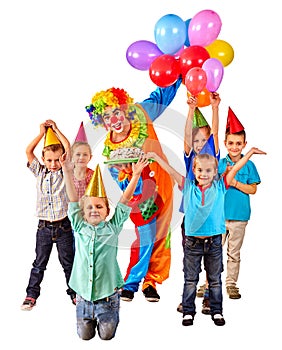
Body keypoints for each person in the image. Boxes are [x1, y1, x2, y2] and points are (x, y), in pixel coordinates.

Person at [85, 78, 182, 302]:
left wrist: (178, 76)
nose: (114, 120)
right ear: (102, 122)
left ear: (125, 109)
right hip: (142, 196)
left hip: (164, 184)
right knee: (145, 236)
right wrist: (128, 176)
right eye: (106, 117)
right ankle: (132, 281)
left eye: (116, 112)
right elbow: (121, 183)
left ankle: (151, 281)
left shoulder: (140, 114)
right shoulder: (111, 150)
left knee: (161, 237)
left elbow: (161, 96)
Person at [146, 146, 266, 326]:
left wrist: (249, 153)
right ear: (193, 170)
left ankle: (217, 311)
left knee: (215, 279)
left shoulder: (220, 186)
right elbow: (170, 170)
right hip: (193, 243)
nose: (204, 174)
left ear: (215, 171)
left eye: (209, 170)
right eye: (200, 170)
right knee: (190, 279)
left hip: (214, 242)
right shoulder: (187, 186)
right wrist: (156, 155)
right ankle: (188, 311)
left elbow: (235, 168)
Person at [61, 152, 149, 341]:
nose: (94, 210)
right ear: (83, 212)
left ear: (107, 211)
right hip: (83, 297)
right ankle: (88, 318)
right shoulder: (79, 225)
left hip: (108, 297)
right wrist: (67, 172)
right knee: (84, 336)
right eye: (90, 207)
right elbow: (73, 200)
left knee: (107, 336)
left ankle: (110, 315)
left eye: (99, 207)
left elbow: (124, 201)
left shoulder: (113, 227)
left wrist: (134, 176)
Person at [21, 120, 76, 311]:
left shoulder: (65, 172)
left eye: (57, 159)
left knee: (69, 262)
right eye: (49, 160)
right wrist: (41, 133)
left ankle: (74, 292)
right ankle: (31, 295)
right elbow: (29, 151)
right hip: (44, 227)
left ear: (62, 158)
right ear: (43, 159)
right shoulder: (40, 171)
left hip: (64, 227)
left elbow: (67, 147)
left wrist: (56, 129)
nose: (53, 164)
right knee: (39, 263)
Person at [177, 92, 221, 314]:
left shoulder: (212, 157)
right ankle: (188, 299)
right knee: (190, 260)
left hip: (212, 220)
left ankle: (208, 299)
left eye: (204, 140)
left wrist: (214, 108)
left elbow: (215, 131)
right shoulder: (190, 158)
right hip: (191, 219)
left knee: (213, 265)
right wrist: (191, 110)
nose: (200, 144)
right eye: (196, 141)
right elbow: (186, 136)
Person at [218, 107, 262, 299]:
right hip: (218, 216)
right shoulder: (220, 163)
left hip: (239, 217)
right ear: (225, 144)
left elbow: (253, 189)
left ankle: (231, 283)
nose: (234, 147)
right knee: (213, 253)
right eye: (231, 143)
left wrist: (234, 181)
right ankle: (209, 282)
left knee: (233, 253)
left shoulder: (250, 165)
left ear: (244, 144)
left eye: (238, 143)